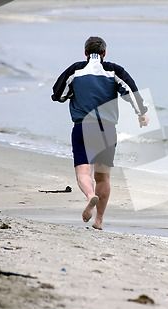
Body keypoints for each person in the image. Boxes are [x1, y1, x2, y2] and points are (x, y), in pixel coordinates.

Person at [51, 36, 149, 230]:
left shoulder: (76, 70)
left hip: (82, 127)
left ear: (85, 53)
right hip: (106, 129)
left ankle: (89, 196)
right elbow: (131, 91)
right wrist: (142, 114)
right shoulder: (114, 70)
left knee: (83, 171)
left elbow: (59, 95)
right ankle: (99, 220)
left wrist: (74, 93)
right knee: (103, 178)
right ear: (104, 53)